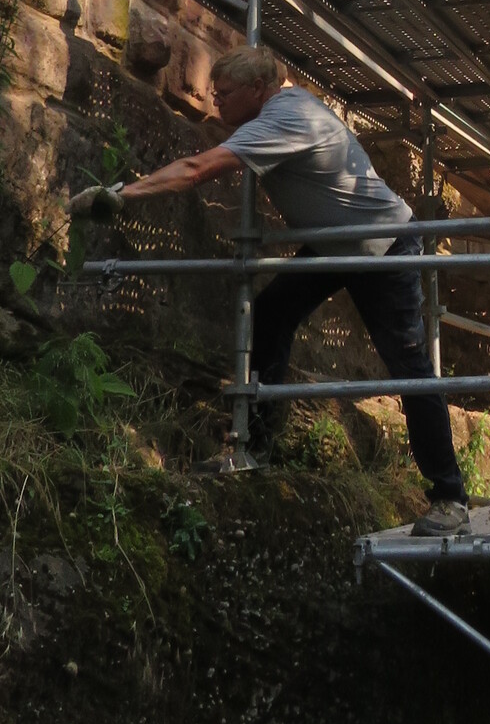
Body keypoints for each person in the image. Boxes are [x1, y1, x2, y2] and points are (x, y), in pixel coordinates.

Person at [119, 46, 469, 536]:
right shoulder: (284, 106)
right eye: (215, 93)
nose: (216, 102)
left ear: (257, 89)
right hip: (334, 243)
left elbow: (196, 169)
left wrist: (122, 195)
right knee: (270, 314)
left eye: (225, 93)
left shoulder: (284, 119)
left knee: (409, 368)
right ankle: (253, 447)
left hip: (382, 245)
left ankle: (450, 497)